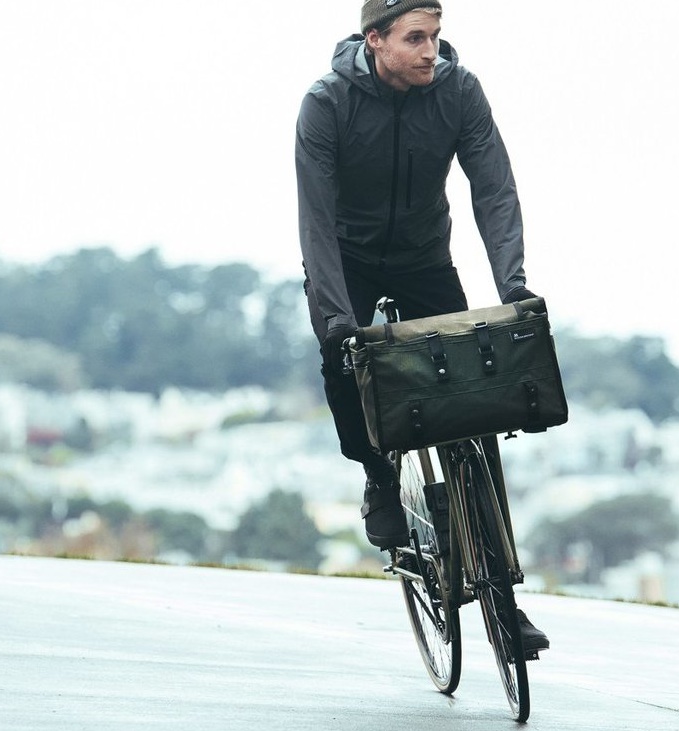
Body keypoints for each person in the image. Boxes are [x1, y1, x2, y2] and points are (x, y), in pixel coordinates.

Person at [296, 0, 548, 652]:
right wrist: (337, 321)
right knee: (342, 364)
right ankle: (380, 478)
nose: (431, 50)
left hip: (424, 259)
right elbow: (315, 221)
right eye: (415, 38)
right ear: (374, 40)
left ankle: (504, 600)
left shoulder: (458, 92)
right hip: (347, 261)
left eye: (436, 36)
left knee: (472, 410)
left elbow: (493, 188)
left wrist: (512, 286)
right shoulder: (326, 105)